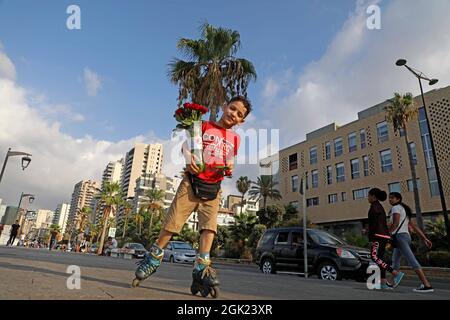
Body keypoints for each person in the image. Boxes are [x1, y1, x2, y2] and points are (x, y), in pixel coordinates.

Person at [132, 96, 250, 298]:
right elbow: (186, 147)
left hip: (213, 188)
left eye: (239, 114)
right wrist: (188, 158)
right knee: (172, 223)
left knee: (209, 227)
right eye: (232, 108)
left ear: (242, 121)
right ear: (224, 106)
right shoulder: (203, 125)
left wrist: (229, 166)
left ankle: (201, 267)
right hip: (191, 183)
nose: (234, 114)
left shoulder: (235, 139)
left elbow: (230, 159)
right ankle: (152, 259)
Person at [388, 192, 434, 292]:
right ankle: (391, 283)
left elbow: (395, 224)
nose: (390, 200)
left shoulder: (396, 208)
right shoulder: (404, 210)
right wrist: (424, 238)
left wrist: (387, 234)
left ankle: (427, 285)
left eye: (392, 198)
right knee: (395, 261)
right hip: (405, 237)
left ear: (398, 199)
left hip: (399, 237)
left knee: (412, 260)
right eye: (389, 198)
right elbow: (414, 226)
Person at [367, 188, 405, 290]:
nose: (368, 198)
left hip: (377, 236)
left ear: (373, 196)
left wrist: (371, 238)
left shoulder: (374, 208)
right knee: (380, 259)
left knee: (374, 257)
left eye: (368, 195)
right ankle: (383, 283)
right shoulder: (380, 207)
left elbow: (373, 225)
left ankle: (395, 273)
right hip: (383, 236)